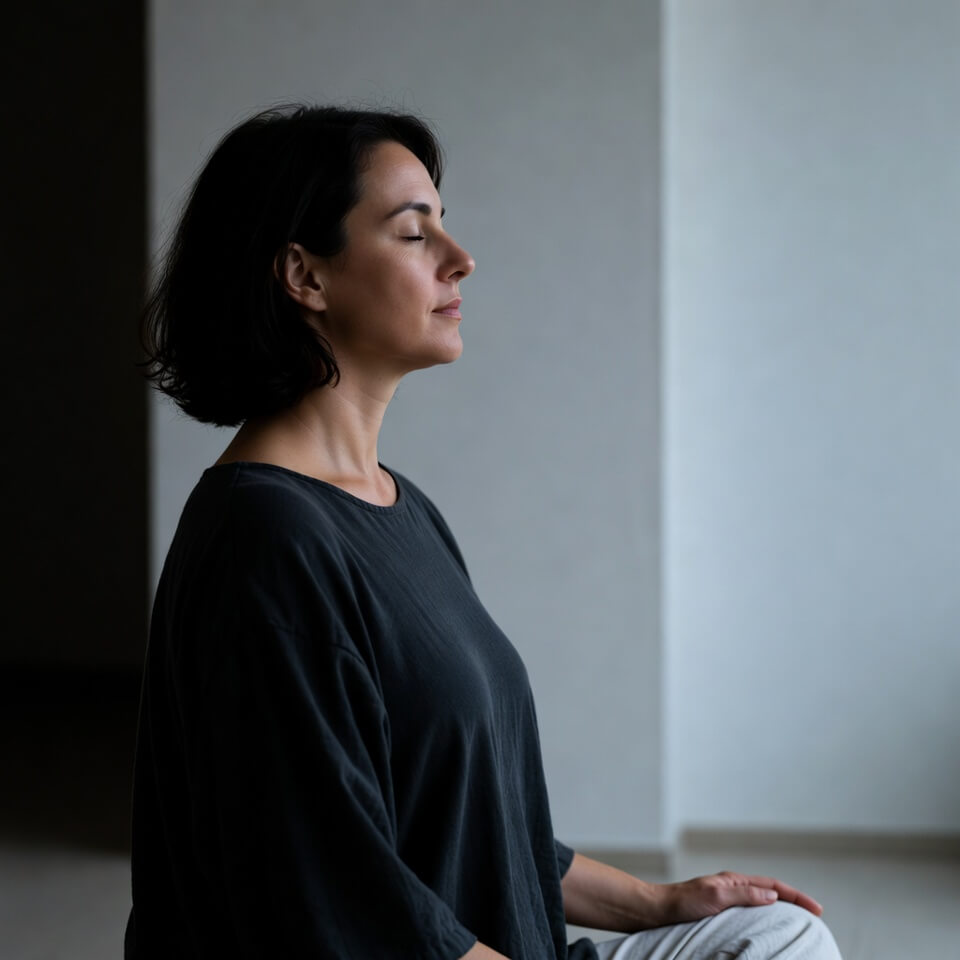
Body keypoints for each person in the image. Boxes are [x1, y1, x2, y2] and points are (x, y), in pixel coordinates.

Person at [126, 104, 843, 960]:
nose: (460, 258)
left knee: (778, 933)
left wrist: (659, 901)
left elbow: (466, 817)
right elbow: (329, 892)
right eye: (412, 232)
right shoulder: (265, 542)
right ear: (304, 277)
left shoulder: (398, 506)